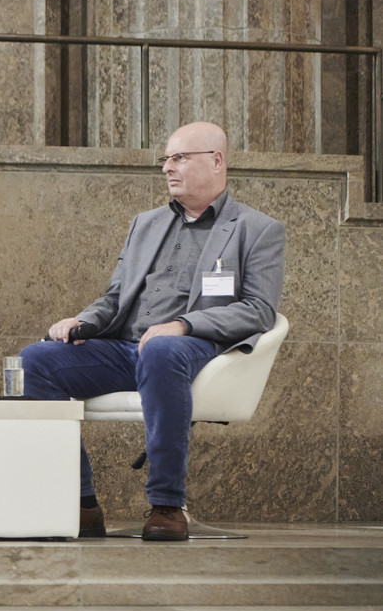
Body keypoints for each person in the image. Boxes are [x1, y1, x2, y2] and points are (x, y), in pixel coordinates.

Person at [20, 121, 284, 541]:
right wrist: (82, 321)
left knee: (161, 351)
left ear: (216, 161)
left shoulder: (257, 229)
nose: (167, 168)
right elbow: (115, 296)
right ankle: (82, 503)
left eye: (179, 157)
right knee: (36, 360)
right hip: (127, 347)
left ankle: (166, 504)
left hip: (196, 351)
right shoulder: (146, 223)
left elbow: (258, 310)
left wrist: (183, 325)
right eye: (166, 159)